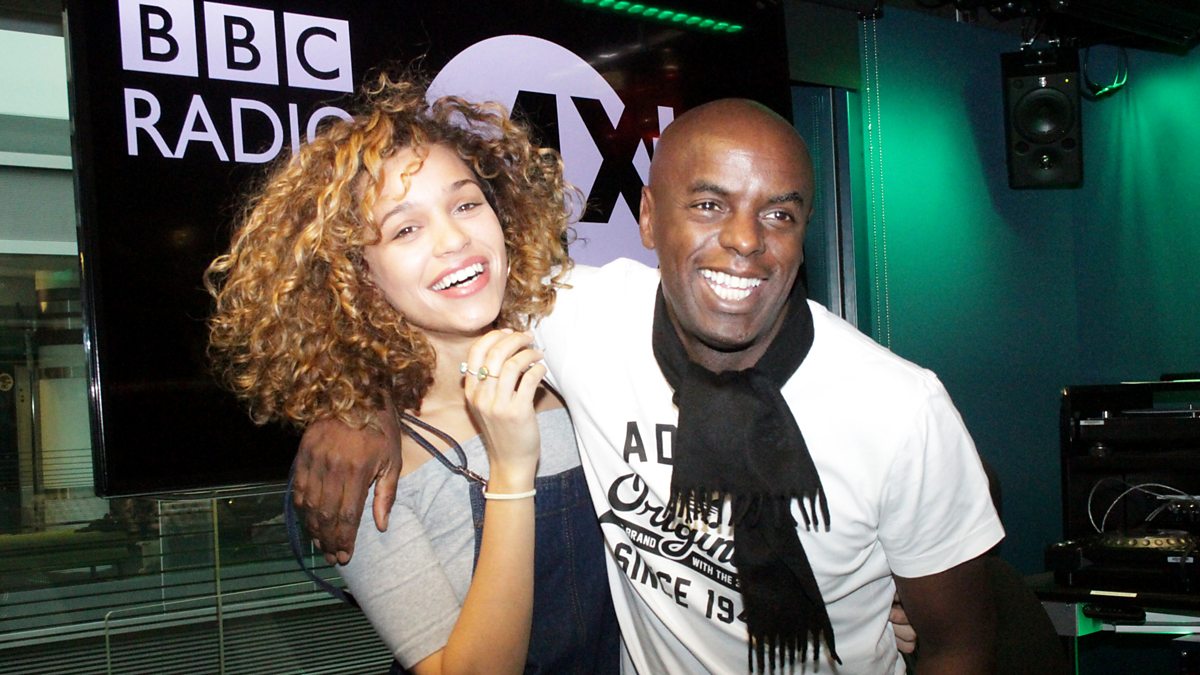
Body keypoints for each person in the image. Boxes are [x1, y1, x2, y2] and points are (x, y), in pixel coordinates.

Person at [294, 99, 1004, 673]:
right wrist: (357, 406)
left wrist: (910, 559)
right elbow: (424, 322)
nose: (745, 240)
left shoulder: (900, 408)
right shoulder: (582, 321)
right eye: (708, 205)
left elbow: (959, 613)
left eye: (779, 214)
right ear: (648, 218)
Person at [204, 73, 619, 674]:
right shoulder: (362, 469)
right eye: (405, 228)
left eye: (466, 204)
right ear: (357, 277)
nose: (453, 239)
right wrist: (509, 468)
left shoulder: (577, 363)